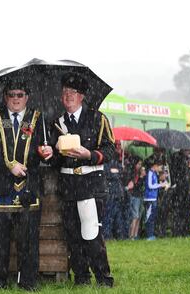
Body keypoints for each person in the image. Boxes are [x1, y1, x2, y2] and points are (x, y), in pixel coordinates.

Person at [0, 80, 53, 291]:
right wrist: (8, 164)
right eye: (11, 94)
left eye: (20, 94)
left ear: (27, 96)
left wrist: (48, 152)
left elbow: (47, 147)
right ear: (5, 97)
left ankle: (28, 281)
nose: (15, 98)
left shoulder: (39, 119)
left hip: (29, 185)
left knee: (29, 238)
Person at [49, 73, 114, 287]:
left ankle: (104, 279)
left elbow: (110, 150)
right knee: (73, 235)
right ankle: (81, 278)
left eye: (72, 93)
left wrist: (89, 155)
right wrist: (51, 153)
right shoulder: (56, 124)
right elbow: (55, 161)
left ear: (82, 96)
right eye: (64, 93)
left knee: (91, 233)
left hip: (91, 183)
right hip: (68, 185)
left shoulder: (98, 119)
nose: (68, 96)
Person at [170, 149, 190, 237]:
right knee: (178, 210)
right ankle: (177, 231)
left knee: (188, 210)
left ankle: (186, 230)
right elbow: (173, 172)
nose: (188, 151)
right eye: (186, 149)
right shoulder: (176, 156)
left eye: (188, 149)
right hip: (180, 189)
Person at [103, 143, 125, 239]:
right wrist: (116, 173)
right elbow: (110, 174)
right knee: (108, 216)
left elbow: (119, 173)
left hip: (117, 194)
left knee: (117, 216)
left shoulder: (117, 163)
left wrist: (116, 172)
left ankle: (118, 235)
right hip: (110, 193)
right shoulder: (107, 164)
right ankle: (107, 235)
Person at [144, 160, 168, 241]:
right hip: (149, 198)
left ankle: (151, 234)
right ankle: (148, 235)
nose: (160, 169)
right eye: (160, 167)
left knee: (152, 217)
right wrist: (160, 185)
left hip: (154, 198)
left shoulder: (154, 173)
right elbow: (150, 185)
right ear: (155, 166)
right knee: (149, 217)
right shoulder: (150, 173)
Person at [126, 156, 146, 240]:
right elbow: (135, 186)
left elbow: (142, 185)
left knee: (139, 216)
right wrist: (141, 177)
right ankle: (131, 235)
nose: (140, 166)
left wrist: (143, 177)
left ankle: (135, 235)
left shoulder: (140, 173)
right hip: (135, 196)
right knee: (135, 216)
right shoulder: (133, 174)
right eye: (139, 164)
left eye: (141, 164)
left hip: (140, 195)